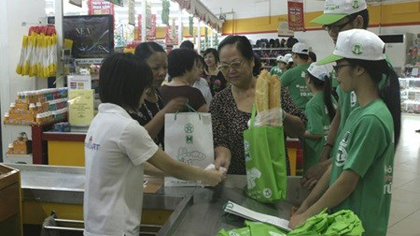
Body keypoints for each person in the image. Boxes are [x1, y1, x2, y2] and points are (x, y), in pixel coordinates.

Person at [84, 53, 224, 236]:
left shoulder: (100, 120)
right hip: (117, 228)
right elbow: (171, 166)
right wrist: (206, 176)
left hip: (96, 225)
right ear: (131, 88)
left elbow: (144, 165)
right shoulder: (126, 128)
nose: (146, 95)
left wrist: (195, 174)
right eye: (146, 88)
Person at [289, 29, 401, 236]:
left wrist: (307, 216)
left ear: (359, 69)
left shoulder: (372, 119)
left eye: (339, 66)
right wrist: (306, 204)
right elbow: (337, 166)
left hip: (359, 225)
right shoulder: (358, 112)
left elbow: (346, 183)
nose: (335, 74)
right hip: (343, 221)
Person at [302, 0, 398, 189]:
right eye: (327, 27)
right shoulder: (347, 63)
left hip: (357, 167)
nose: (331, 33)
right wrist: (327, 150)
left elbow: (368, 138)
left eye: (336, 26)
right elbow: (342, 112)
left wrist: (328, 166)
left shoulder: (374, 70)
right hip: (341, 158)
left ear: (358, 22)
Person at [210, 35, 307, 175]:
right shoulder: (219, 101)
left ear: (251, 61)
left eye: (236, 64)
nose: (230, 71)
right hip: (238, 179)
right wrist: (222, 157)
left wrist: (283, 116)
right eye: (224, 66)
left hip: (274, 178)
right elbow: (220, 142)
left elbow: (299, 130)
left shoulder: (273, 91)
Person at [133, 42, 187, 149]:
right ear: (140, 66)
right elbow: (138, 140)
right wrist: (165, 113)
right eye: (155, 68)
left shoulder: (156, 91)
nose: (162, 73)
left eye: (165, 67)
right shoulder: (132, 98)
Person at [302, 63, 336, 174]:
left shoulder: (312, 105)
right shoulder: (331, 98)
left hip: (317, 155)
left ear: (309, 80)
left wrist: (299, 132)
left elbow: (316, 132)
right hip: (331, 151)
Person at [281, 42, 313, 111]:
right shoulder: (314, 71)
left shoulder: (291, 73)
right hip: (314, 111)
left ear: (295, 55)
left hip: (298, 114)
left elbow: (276, 87)